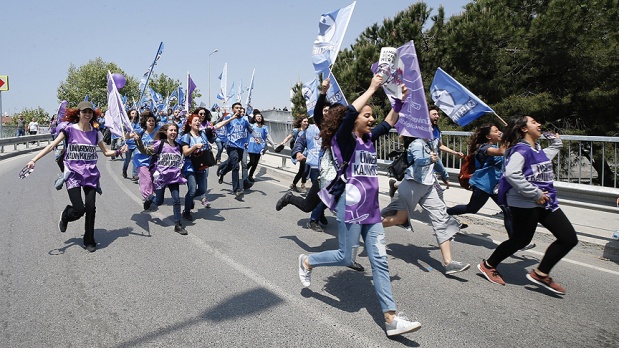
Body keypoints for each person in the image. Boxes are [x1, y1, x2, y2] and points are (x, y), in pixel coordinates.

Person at [297, 75, 421, 337]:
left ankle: (391, 319)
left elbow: (388, 122)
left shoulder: (369, 139)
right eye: (367, 115)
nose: (371, 119)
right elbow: (352, 109)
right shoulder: (345, 140)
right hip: (350, 206)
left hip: (372, 210)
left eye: (371, 115)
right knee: (345, 256)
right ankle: (307, 261)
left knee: (380, 261)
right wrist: (373, 88)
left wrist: (399, 102)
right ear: (354, 120)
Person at [477, 115, 578, 295]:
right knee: (520, 240)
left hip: (545, 202)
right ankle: (488, 265)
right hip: (524, 202)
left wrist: (556, 143)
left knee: (569, 238)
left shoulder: (536, 149)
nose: (539, 124)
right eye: (534, 122)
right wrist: (535, 193)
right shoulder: (520, 150)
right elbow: (511, 174)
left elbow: (544, 158)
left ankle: (541, 273)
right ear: (524, 129)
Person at [25, 101, 125, 252]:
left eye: (90, 112)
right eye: (84, 111)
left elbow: (106, 152)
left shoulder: (95, 133)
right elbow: (52, 146)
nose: (87, 114)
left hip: (90, 174)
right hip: (73, 174)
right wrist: (34, 160)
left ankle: (89, 240)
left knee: (91, 207)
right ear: (78, 113)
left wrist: (119, 151)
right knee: (79, 210)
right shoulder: (69, 130)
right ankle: (66, 215)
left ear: (93, 115)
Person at [381, 134, 471, 275]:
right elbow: (418, 161)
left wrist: (444, 174)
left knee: (441, 219)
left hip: (428, 187)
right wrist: (429, 159)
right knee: (400, 219)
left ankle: (448, 263)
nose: (431, 130)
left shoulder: (429, 143)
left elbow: (436, 162)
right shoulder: (417, 143)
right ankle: (368, 226)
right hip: (412, 186)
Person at [445, 124, 534, 248]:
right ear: (488, 136)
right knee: (472, 209)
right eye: (496, 131)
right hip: (483, 185)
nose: (499, 132)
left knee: (508, 211)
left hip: (496, 186)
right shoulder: (484, 148)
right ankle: (444, 214)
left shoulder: (493, 146)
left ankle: (516, 241)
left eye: (500, 130)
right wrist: (506, 136)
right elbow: (501, 151)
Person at [135, 123, 188, 235]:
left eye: (175, 130)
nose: (173, 132)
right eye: (171, 130)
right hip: (161, 178)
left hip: (174, 177)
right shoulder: (159, 144)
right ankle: (150, 198)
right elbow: (144, 150)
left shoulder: (179, 146)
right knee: (159, 201)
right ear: (166, 132)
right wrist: (138, 141)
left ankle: (178, 224)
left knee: (177, 200)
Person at [180, 112, 215, 220]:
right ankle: (186, 212)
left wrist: (231, 117)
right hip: (190, 167)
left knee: (202, 190)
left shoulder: (203, 134)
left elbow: (217, 126)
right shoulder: (186, 136)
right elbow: (185, 152)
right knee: (192, 190)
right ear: (190, 123)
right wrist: (195, 146)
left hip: (202, 166)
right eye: (195, 120)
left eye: (199, 121)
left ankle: (189, 200)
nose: (198, 122)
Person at [216, 102, 254, 199]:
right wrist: (231, 118)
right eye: (237, 108)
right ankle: (237, 189)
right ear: (233, 110)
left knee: (233, 163)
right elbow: (218, 125)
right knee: (236, 166)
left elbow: (250, 130)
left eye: (240, 108)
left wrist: (257, 138)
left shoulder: (244, 120)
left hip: (240, 147)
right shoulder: (228, 119)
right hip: (231, 145)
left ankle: (222, 172)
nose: (239, 109)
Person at [133, 110, 159, 207]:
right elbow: (128, 137)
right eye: (149, 121)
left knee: (155, 181)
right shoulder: (140, 132)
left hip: (154, 161)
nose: (151, 122)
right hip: (141, 160)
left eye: (153, 120)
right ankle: (149, 196)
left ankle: (149, 197)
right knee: (147, 180)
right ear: (145, 123)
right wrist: (135, 138)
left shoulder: (158, 133)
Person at [246, 111, 275, 182]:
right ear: (255, 119)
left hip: (259, 147)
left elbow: (268, 136)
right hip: (251, 146)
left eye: (260, 116)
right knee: (252, 162)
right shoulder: (251, 126)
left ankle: (250, 176)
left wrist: (273, 144)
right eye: (257, 117)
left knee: (255, 163)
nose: (259, 117)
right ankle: (245, 171)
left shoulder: (264, 127)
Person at [283, 117, 309, 192]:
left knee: (302, 170)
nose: (306, 123)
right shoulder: (296, 131)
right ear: (301, 122)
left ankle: (294, 184)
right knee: (304, 169)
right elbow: (288, 137)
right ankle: (303, 185)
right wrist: (283, 143)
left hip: (308, 152)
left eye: (307, 121)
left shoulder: (309, 131)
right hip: (300, 153)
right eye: (304, 121)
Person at [122, 109, 141, 179]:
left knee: (136, 158)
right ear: (130, 114)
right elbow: (124, 134)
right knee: (127, 160)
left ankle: (134, 174)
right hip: (128, 144)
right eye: (132, 113)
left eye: (135, 113)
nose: (134, 115)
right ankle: (124, 170)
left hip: (136, 144)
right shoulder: (126, 123)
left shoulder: (139, 123)